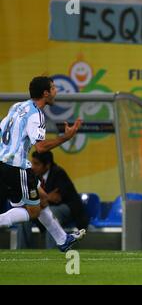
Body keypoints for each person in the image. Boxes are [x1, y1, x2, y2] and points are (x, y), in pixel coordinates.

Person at [0, 76, 84, 252]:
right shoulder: (36, 115)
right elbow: (40, 147)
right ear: (45, 93)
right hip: (17, 167)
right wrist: (66, 138)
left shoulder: (17, 106)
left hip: (4, 163)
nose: (56, 92)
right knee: (33, 212)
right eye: (54, 88)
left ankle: (62, 240)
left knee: (43, 197)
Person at [17, 150, 88, 249]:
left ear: (47, 165)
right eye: (32, 163)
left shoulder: (58, 173)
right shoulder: (34, 176)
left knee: (52, 212)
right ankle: (21, 251)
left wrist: (43, 199)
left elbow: (57, 198)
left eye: (37, 164)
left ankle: (53, 250)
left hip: (67, 208)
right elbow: (42, 198)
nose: (33, 167)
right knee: (25, 217)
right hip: (43, 206)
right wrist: (44, 198)